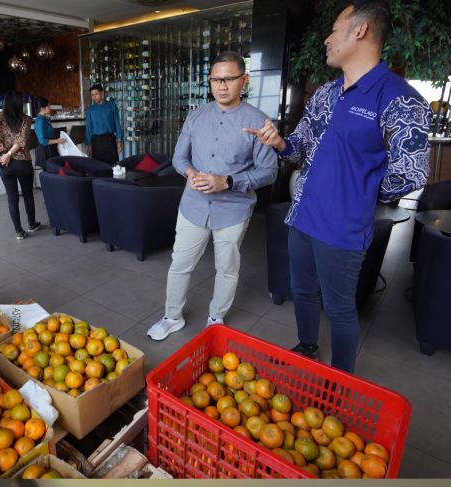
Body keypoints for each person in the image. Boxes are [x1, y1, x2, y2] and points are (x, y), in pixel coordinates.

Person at [246, 0, 431, 372]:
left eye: (334, 29)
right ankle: (308, 346)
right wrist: (279, 143)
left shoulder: (401, 100)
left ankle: (342, 378)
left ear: (359, 31)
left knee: (340, 309)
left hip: (343, 229)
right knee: (301, 291)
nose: (327, 39)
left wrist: (358, 195)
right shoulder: (328, 94)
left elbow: (411, 173)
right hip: (302, 218)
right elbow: (298, 145)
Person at [147, 51, 278, 341]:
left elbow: (270, 172)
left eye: (229, 79)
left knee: (227, 269)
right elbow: (179, 158)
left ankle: (216, 318)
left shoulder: (258, 121)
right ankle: (172, 316)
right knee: (179, 264)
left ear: (243, 81)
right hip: (193, 206)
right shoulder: (196, 115)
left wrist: (228, 181)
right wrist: (190, 173)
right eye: (216, 79)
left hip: (233, 210)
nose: (222, 85)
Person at [0, 90, 42, 240]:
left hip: (5, 164)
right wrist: (9, 154)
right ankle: (31, 224)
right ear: (19, 103)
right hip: (22, 163)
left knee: (12, 198)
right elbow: (21, 140)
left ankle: (19, 232)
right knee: (28, 194)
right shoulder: (26, 119)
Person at [85, 84, 123, 163]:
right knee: (98, 167)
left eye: (96, 94)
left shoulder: (112, 106)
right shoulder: (91, 109)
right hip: (96, 141)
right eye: (92, 95)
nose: (94, 97)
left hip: (110, 140)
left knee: (113, 166)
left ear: (102, 93)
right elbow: (88, 128)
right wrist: (88, 144)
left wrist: (119, 140)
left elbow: (117, 123)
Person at [33, 96, 65, 170]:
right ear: (42, 109)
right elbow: (42, 141)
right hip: (45, 151)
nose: (50, 107)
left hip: (50, 149)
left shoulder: (44, 118)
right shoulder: (40, 121)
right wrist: (57, 141)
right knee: (50, 175)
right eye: (48, 106)